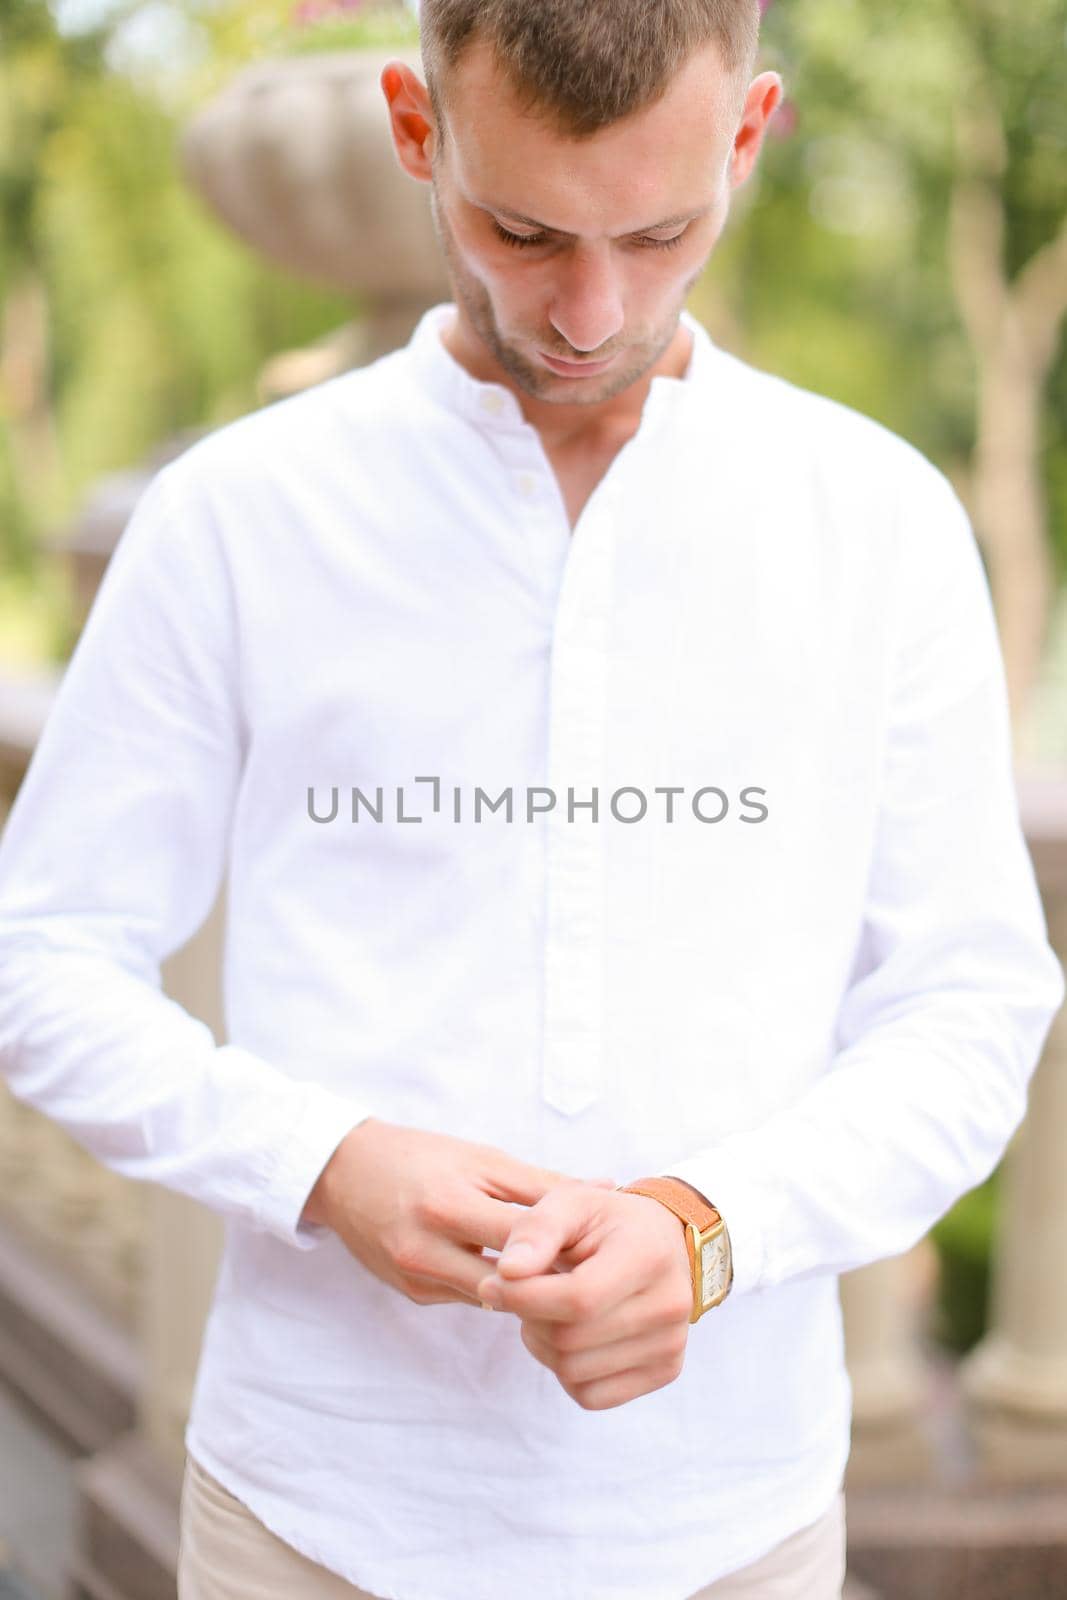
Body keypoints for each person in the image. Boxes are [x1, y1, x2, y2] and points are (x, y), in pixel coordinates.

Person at [0, 1, 1062, 1597]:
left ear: (750, 134)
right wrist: (317, 1157)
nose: (590, 306)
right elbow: (40, 956)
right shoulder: (236, 515)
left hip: (736, 1532)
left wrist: (713, 1227)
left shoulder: (883, 527)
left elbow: (974, 1004)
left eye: (660, 229)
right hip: (306, 1516)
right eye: (523, 228)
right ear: (416, 131)